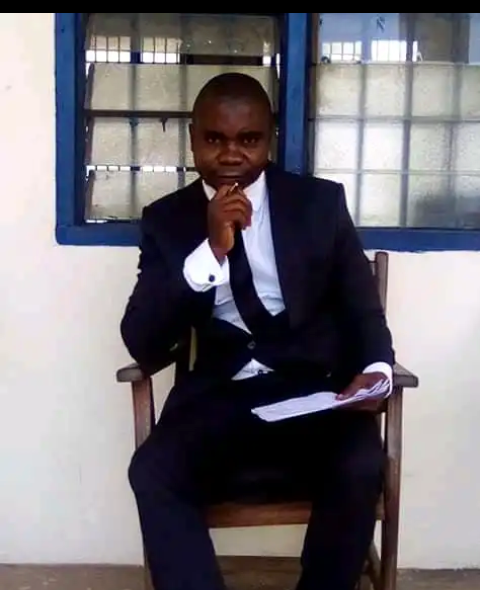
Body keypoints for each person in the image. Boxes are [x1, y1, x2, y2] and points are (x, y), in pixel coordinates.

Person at [121, 72, 395, 590]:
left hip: (313, 391)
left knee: (361, 463)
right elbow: (142, 340)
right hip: (218, 399)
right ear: (193, 138)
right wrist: (210, 251)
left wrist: (377, 373)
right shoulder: (167, 220)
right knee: (153, 470)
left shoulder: (319, 205)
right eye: (214, 139)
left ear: (268, 139)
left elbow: (362, 309)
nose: (230, 154)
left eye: (247, 140)